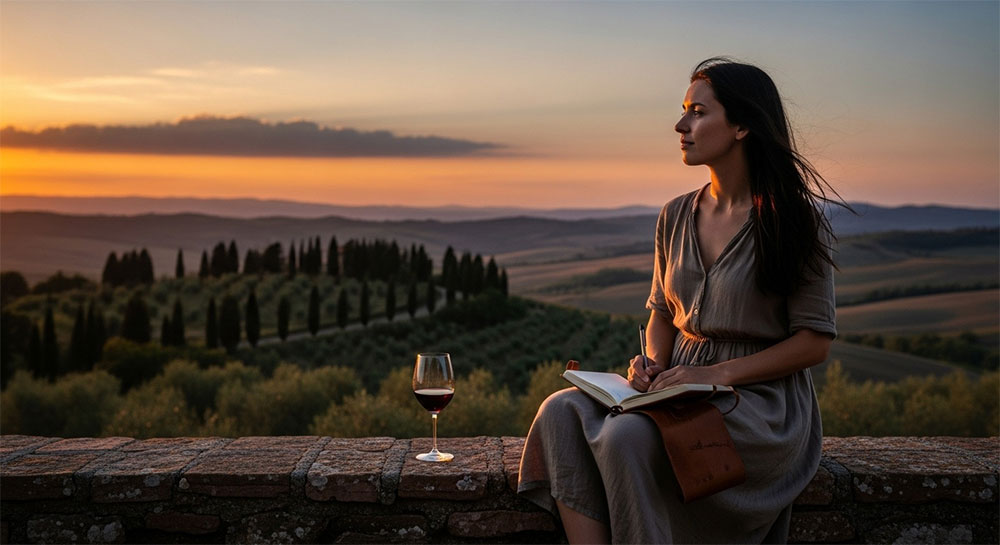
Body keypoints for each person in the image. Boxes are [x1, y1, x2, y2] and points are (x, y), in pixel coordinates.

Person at [517, 57, 844, 544]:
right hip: (678, 386)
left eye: (697, 112)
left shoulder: (794, 221)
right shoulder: (674, 215)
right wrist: (652, 363)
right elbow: (662, 315)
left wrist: (713, 375)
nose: (680, 125)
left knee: (628, 437)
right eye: (684, 110)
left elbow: (813, 345)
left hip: (759, 403)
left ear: (741, 127)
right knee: (559, 412)